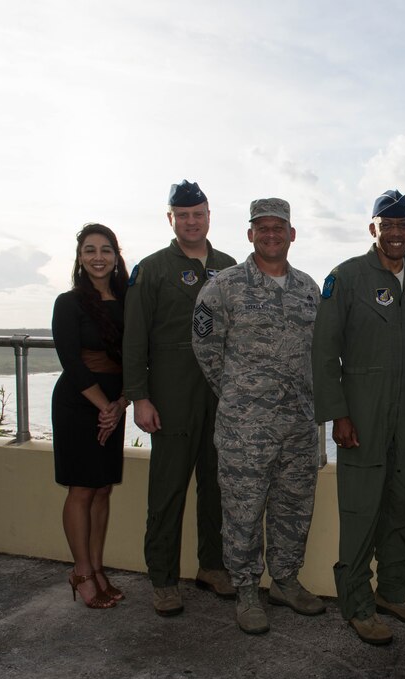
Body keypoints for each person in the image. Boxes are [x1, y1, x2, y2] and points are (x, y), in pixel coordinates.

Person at [312, 189, 405, 646]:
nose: (396, 233)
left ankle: (394, 592)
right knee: (361, 508)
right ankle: (356, 603)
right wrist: (338, 415)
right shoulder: (345, 278)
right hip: (362, 416)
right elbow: (325, 352)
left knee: (402, 505)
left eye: (403, 225)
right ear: (373, 229)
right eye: (387, 225)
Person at [192, 198, 325, 635]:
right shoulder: (223, 287)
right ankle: (247, 588)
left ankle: (285, 579)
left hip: (299, 427)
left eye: (279, 227)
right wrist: (240, 397)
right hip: (245, 431)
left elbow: (319, 354)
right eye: (262, 227)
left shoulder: (309, 289)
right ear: (250, 234)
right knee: (243, 512)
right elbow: (207, 351)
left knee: (293, 508)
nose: (271, 234)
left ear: (292, 234)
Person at [123, 180, 237, 616]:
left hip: (221, 395)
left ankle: (213, 566)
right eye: (183, 215)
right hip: (170, 394)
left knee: (217, 486)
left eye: (199, 214)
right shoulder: (151, 270)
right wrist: (139, 398)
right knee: (168, 490)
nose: (192, 222)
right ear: (171, 219)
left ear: (209, 216)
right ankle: (164, 579)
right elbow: (135, 339)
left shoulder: (229, 267)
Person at [52, 223, 130, 609]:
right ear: (80, 257)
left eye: (106, 250)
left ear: (116, 257)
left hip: (115, 403)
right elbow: (70, 360)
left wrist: (121, 404)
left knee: (102, 489)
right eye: (89, 250)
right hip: (79, 403)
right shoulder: (69, 302)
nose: (98, 257)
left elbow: (136, 356)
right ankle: (81, 571)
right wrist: (104, 407)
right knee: (82, 489)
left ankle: (98, 569)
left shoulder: (127, 299)